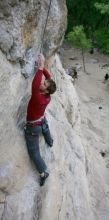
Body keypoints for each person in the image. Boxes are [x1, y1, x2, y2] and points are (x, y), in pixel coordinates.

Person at [24, 54, 56, 186]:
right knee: (44, 125)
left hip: (33, 127)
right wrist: (44, 71)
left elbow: (34, 84)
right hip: (41, 120)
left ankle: (43, 173)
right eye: (43, 82)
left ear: (46, 90)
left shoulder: (37, 96)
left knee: (34, 152)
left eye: (44, 84)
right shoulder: (48, 97)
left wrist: (41, 66)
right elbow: (49, 78)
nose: (43, 82)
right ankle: (50, 141)